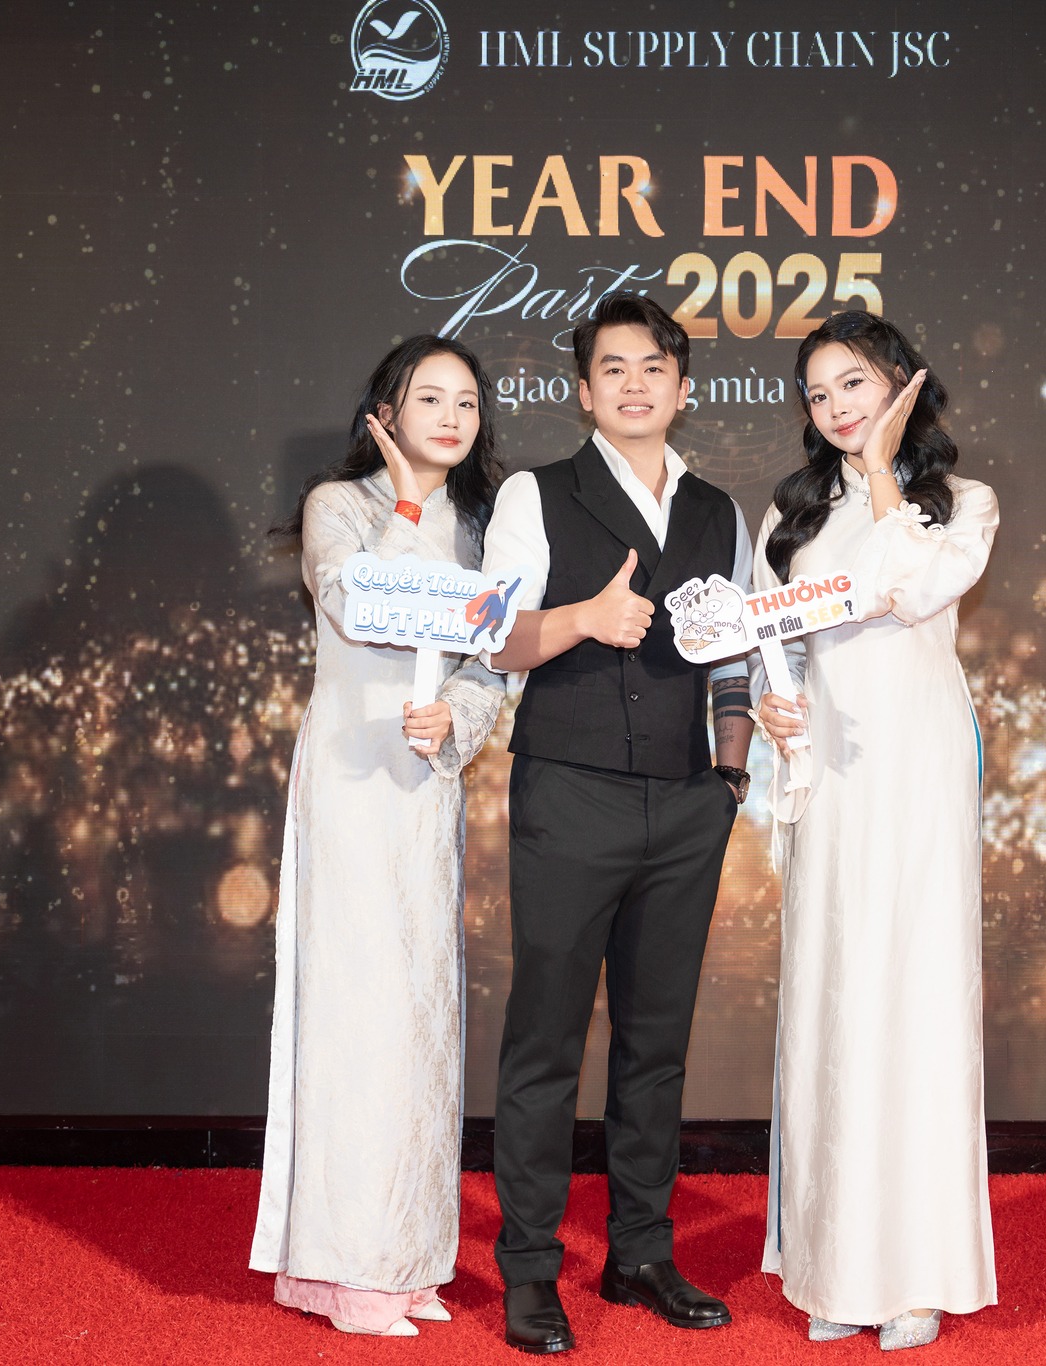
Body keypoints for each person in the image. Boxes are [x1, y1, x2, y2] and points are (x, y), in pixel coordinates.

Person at [480, 291, 756, 1354]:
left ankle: (641, 1252)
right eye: (613, 368)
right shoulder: (535, 493)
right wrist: (583, 619)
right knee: (545, 1040)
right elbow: (492, 638)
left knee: (656, 1043)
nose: (634, 385)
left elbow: (734, 654)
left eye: (653, 368)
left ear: (683, 388)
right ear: (583, 390)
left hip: (687, 804)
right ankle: (529, 1268)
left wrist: (729, 781)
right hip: (571, 792)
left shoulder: (718, 510)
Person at [249, 335, 507, 1337]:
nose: (451, 416)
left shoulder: (481, 524)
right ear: (385, 412)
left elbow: (490, 659)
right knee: (356, 1014)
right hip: (353, 780)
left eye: (466, 402)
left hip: (423, 783)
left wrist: (458, 719)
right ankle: (346, 1266)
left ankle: (405, 1261)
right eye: (428, 397)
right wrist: (402, 506)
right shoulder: (340, 505)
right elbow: (359, 606)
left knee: (420, 1017)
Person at [752, 312, 1001, 1350]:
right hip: (832, 772)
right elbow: (769, 642)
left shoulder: (961, 503)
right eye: (817, 394)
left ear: (901, 382)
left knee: (917, 997)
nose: (834, 407)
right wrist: (773, 708)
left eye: (851, 383)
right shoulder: (792, 512)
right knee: (832, 995)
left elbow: (919, 586)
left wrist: (886, 478)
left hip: (918, 768)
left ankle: (915, 1273)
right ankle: (833, 1266)